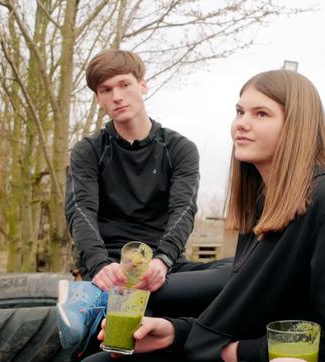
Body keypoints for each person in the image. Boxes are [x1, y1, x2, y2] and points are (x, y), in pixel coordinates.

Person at [83, 69, 325, 362]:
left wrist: (239, 352)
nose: (242, 124)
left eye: (261, 114)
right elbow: (244, 309)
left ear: (297, 125)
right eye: (240, 111)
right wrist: (173, 332)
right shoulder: (264, 200)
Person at [58, 49, 232, 352]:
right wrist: (99, 264)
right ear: (99, 99)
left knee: (239, 270)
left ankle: (96, 302)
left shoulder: (179, 149)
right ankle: (96, 298)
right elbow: (80, 210)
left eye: (125, 84)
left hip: (164, 270)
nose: (117, 96)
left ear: (143, 85)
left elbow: (184, 209)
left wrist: (163, 260)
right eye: (106, 90)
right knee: (126, 337)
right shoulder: (88, 151)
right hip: (109, 269)